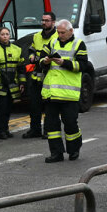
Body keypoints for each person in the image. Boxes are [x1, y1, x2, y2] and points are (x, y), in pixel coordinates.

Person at [40, 19, 88, 163]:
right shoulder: (52, 42)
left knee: (70, 123)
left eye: (63, 32)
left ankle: (74, 150)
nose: (60, 35)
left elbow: (83, 65)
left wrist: (64, 63)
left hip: (69, 94)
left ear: (71, 31)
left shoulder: (78, 44)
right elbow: (40, 60)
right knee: (52, 126)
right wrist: (45, 61)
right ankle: (56, 153)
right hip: (51, 93)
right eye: (58, 32)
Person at [0, 27, 26, 140]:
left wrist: (22, 83)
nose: (5, 36)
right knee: (1, 109)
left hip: (12, 84)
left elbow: (21, 68)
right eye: (2, 34)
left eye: (7, 34)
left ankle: (6, 129)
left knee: (8, 109)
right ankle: (1, 131)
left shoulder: (17, 49)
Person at [23, 12, 58, 139]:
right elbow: (31, 48)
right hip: (36, 76)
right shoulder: (37, 36)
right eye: (43, 20)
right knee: (34, 105)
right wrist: (32, 56)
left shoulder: (57, 37)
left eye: (47, 20)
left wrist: (40, 58)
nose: (44, 23)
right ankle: (35, 129)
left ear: (53, 22)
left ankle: (48, 130)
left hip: (50, 76)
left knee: (49, 106)